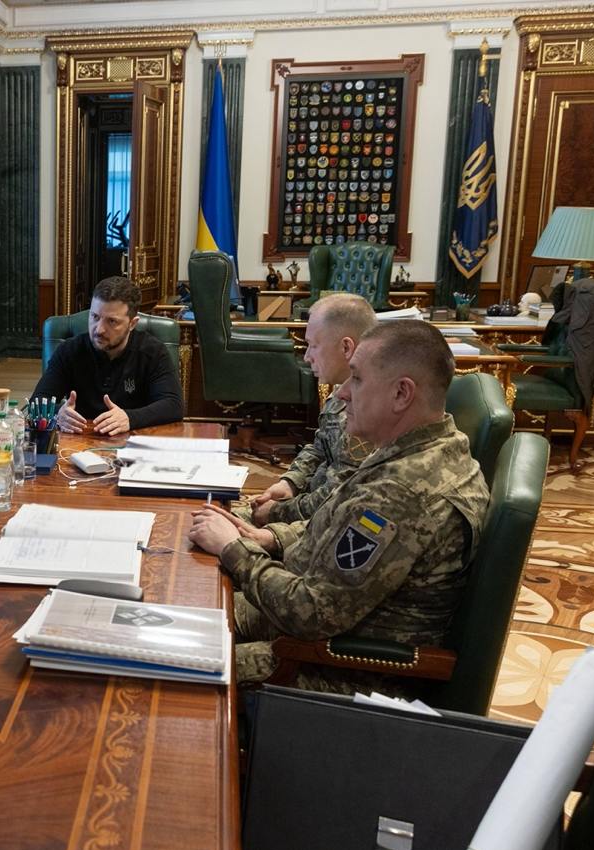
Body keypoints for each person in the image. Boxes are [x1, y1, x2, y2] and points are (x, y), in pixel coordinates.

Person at [189, 320, 489, 696]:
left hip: (347, 667)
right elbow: (337, 521)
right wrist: (271, 538)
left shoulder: (400, 493)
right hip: (331, 621)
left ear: (401, 393)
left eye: (357, 379)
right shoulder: (425, 448)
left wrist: (234, 550)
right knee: (192, 607)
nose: (343, 393)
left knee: (182, 661)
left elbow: (310, 614)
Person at [248, 293, 377, 525]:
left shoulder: (367, 410)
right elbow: (319, 448)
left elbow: (337, 496)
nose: (307, 357)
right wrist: (290, 482)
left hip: (330, 521)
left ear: (346, 347)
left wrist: (275, 513)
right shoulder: (342, 392)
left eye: (313, 346)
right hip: (309, 508)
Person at [34, 276, 184, 436]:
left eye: (112, 321)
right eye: (95, 317)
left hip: (135, 439)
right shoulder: (70, 350)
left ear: (132, 323)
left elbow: (173, 405)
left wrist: (130, 418)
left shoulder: (153, 352)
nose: (99, 330)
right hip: (80, 438)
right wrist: (58, 414)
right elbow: (37, 402)